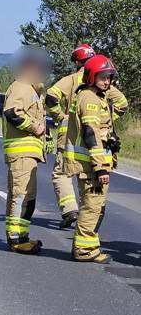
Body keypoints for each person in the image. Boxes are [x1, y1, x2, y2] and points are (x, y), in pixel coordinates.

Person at [45, 44, 128, 228]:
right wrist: (106, 120)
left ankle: (70, 210)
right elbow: (122, 103)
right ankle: (88, 221)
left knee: (62, 172)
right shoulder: (103, 79)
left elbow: (51, 97)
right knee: (91, 184)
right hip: (95, 138)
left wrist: (61, 117)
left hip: (69, 132)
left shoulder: (71, 79)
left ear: (76, 61)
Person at [64, 55, 123, 263]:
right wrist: (100, 168)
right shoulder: (89, 98)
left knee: (94, 205)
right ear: (90, 76)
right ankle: (84, 251)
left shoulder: (96, 95)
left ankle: (85, 246)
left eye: (109, 77)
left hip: (92, 164)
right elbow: (91, 133)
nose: (107, 81)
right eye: (102, 77)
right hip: (92, 166)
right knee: (92, 206)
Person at [2, 46, 51, 254]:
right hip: (21, 153)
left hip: (28, 154)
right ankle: (16, 239)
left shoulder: (31, 89)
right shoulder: (22, 87)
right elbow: (12, 113)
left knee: (26, 197)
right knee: (21, 196)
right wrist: (36, 127)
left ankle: (21, 236)